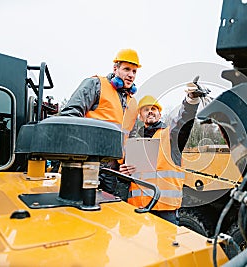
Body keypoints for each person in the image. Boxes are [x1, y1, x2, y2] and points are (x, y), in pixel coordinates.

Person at [60, 48, 140, 199]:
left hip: (113, 172)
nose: (131, 75)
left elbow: (131, 138)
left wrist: (128, 163)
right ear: (115, 69)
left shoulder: (133, 103)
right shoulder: (95, 84)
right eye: (127, 69)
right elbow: (69, 116)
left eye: (134, 71)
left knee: (106, 215)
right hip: (86, 166)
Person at [125, 87, 203, 225]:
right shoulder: (133, 142)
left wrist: (191, 101)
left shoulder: (171, 136)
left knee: (167, 247)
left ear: (159, 115)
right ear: (140, 116)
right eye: (146, 109)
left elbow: (183, 121)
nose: (150, 111)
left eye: (154, 109)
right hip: (139, 209)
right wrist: (124, 171)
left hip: (165, 211)